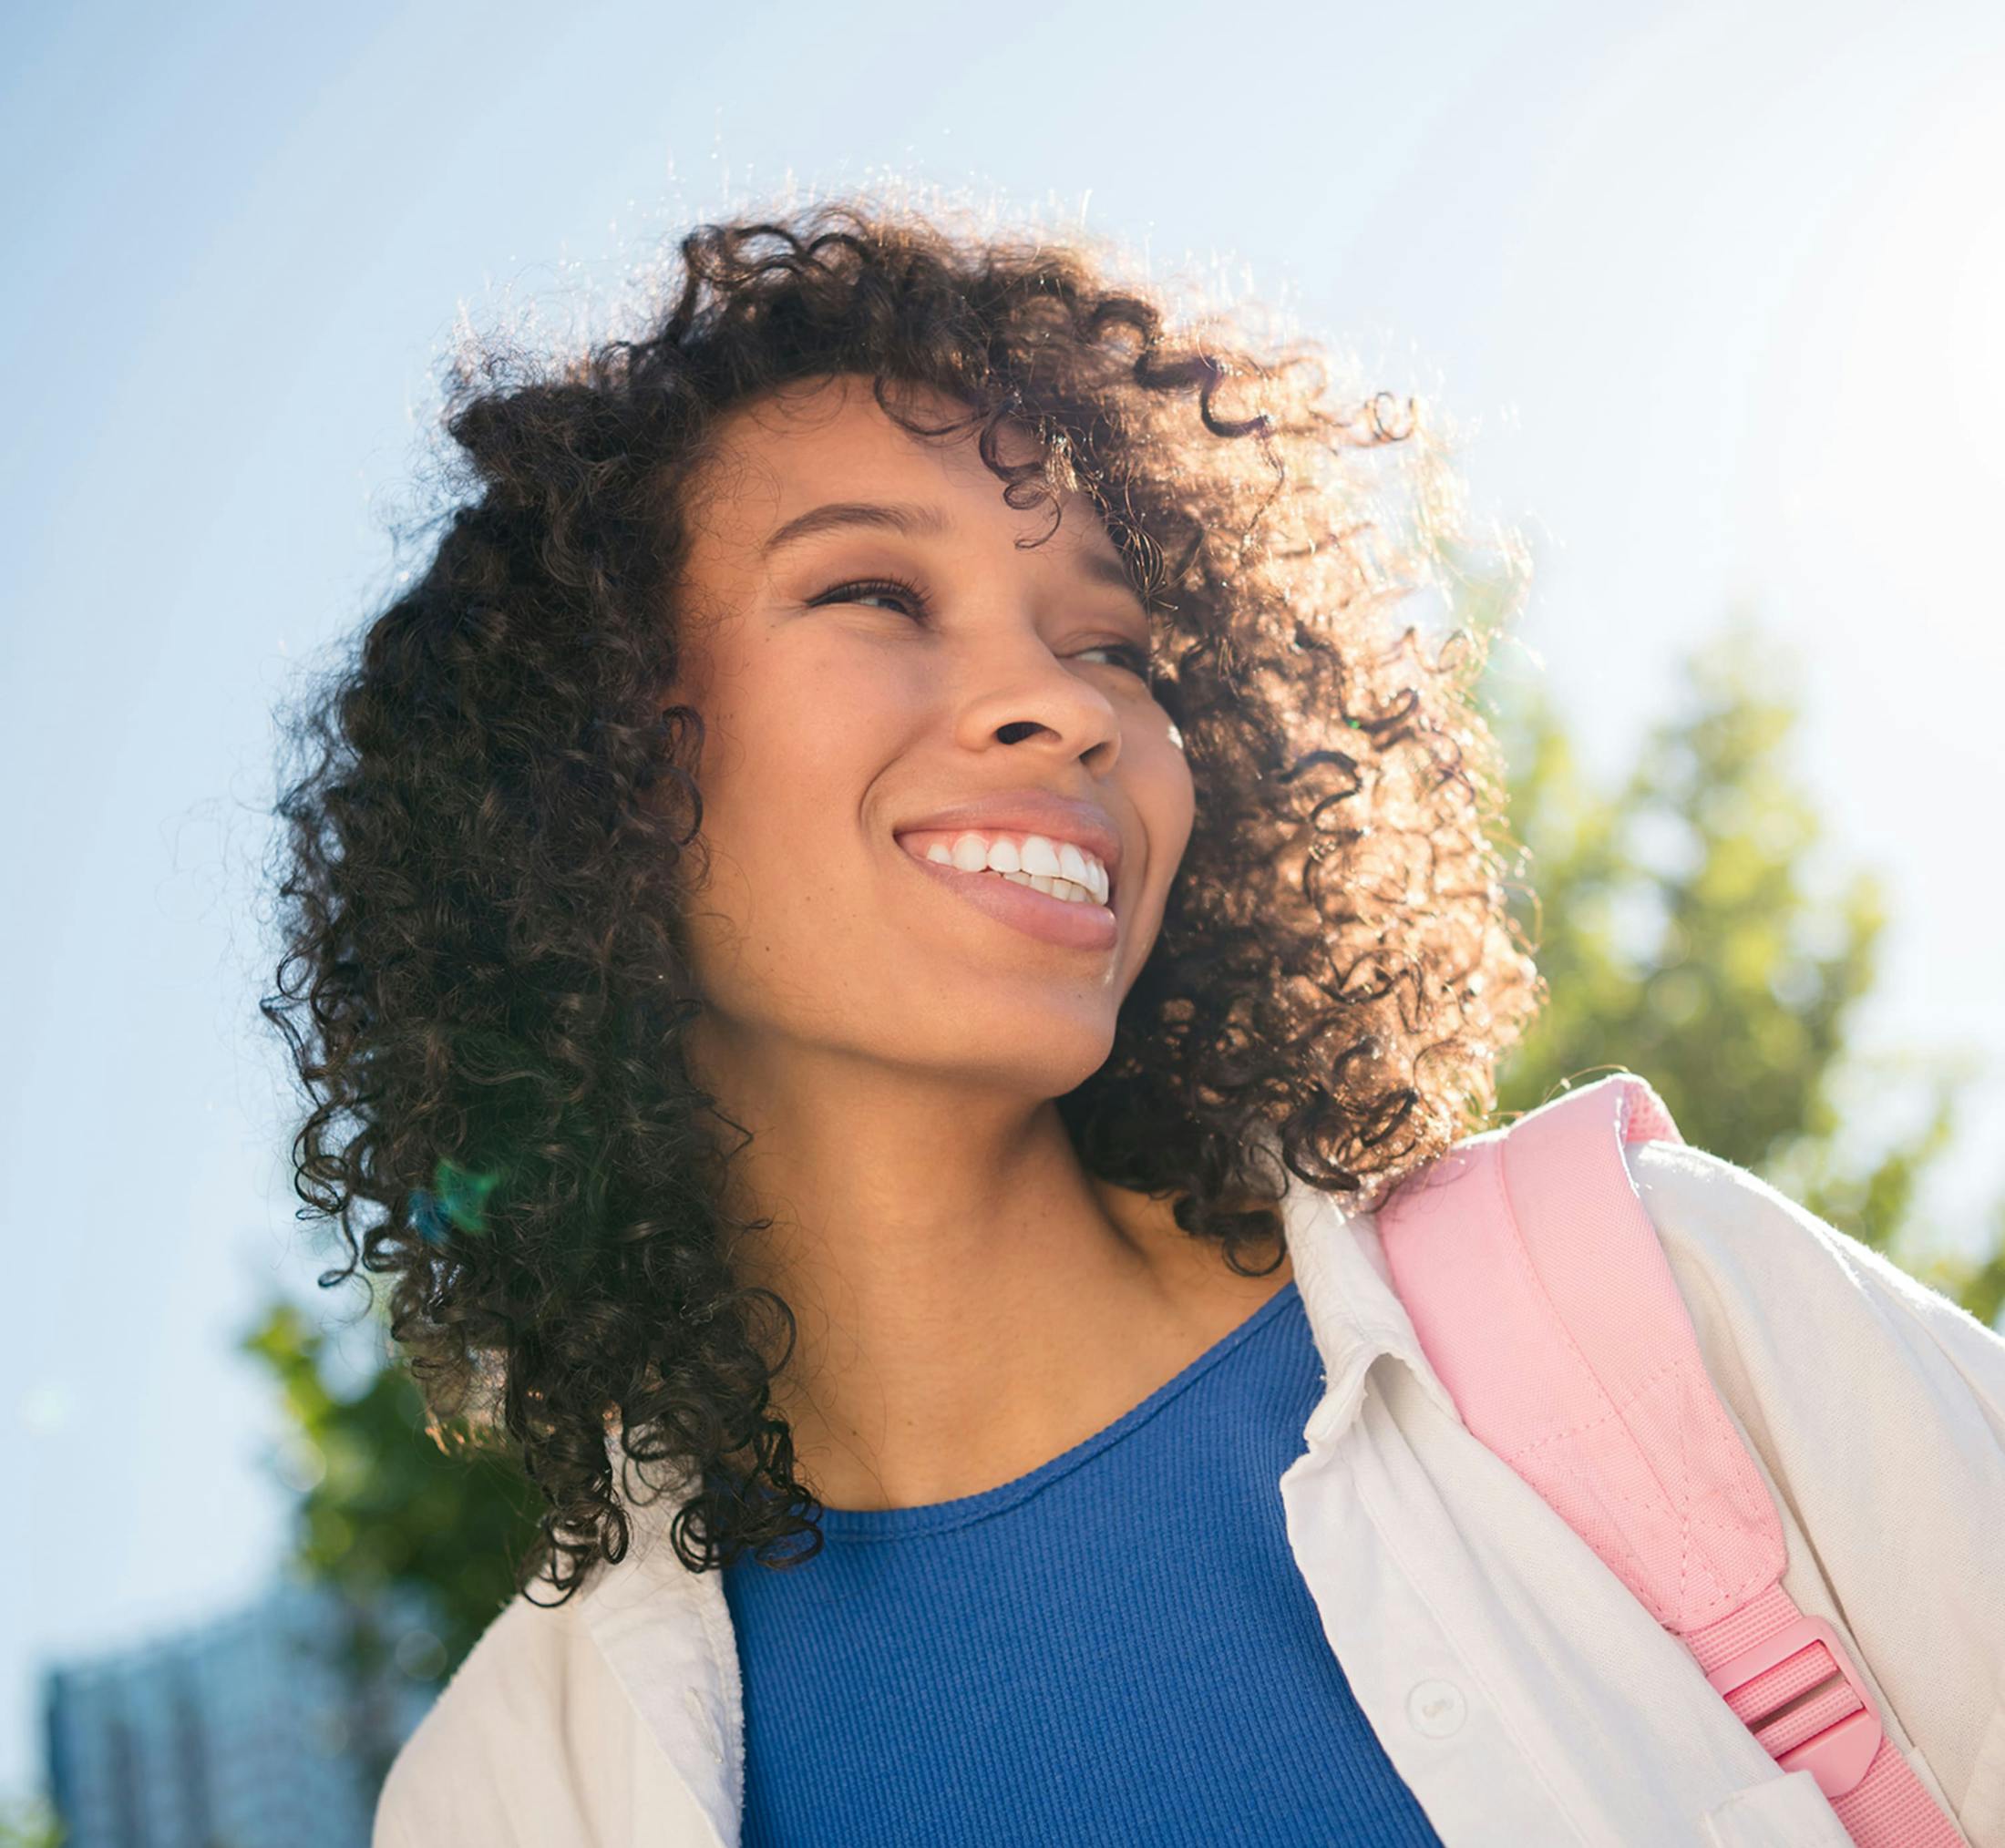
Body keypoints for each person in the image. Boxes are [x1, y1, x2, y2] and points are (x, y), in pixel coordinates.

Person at [266, 193, 2005, 1847]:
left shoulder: (1648, 1305)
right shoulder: (512, 1794)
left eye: (1118, 646)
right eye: (874, 593)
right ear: (585, 771)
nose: (1062, 706)